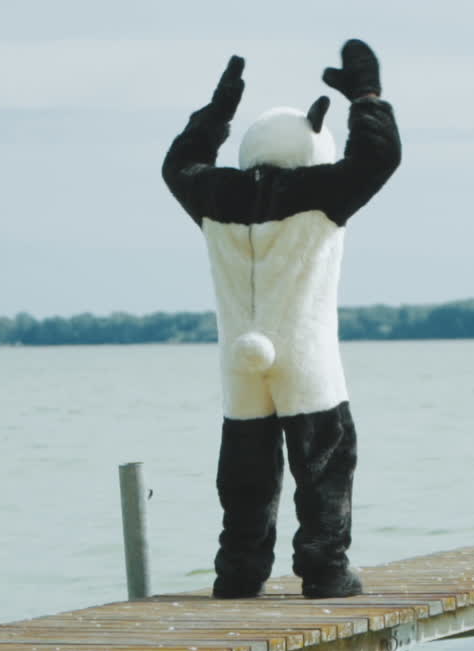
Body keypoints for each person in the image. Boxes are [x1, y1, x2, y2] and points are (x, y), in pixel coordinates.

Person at [162, 39, 401, 599]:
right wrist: (366, 94)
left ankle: (239, 571)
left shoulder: (214, 193)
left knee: (245, 471)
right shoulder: (321, 190)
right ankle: (324, 569)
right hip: (303, 351)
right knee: (325, 461)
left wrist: (217, 114)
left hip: (240, 360)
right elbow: (379, 157)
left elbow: (178, 164)